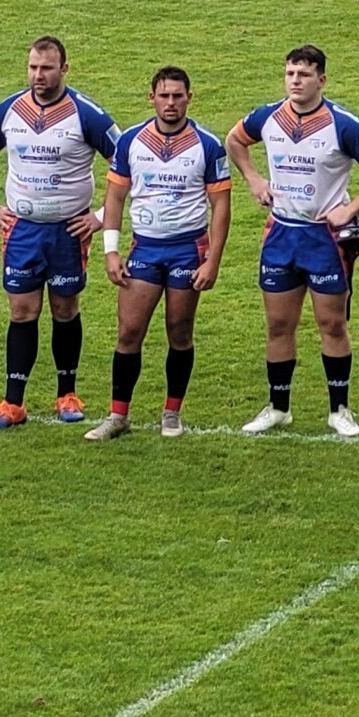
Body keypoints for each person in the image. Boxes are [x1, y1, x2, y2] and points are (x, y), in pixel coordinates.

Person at [227, 44, 359, 438]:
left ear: (321, 79)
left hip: (324, 239)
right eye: (290, 74)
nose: (295, 82)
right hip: (281, 233)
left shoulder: (343, 124)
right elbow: (235, 141)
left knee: (331, 323)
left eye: (303, 75)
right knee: (278, 324)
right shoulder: (268, 117)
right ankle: (278, 407)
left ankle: (339, 409)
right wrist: (254, 179)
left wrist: (349, 208)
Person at [0, 36, 120, 432]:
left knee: (64, 310)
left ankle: (66, 394)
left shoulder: (86, 114)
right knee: (22, 311)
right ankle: (12, 402)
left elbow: (128, 164)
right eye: (33, 68)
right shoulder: (8, 110)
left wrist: (101, 216)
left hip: (68, 231)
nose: (38, 76)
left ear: (64, 69)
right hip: (22, 230)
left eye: (47, 68)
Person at [90, 66, 231, 441]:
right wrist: (110, 251)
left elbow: (221, 206)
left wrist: (213, 260)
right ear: (151, 97)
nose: (171, 103)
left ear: (189, 97)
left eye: (177, 96)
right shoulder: (132, 141)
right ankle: (118, 415)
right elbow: (115, 197)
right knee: (129, 332)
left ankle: (172, 412)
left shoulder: (207, 144)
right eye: (164, 95)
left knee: (179, 332)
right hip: (145, 247)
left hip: (188, 249)